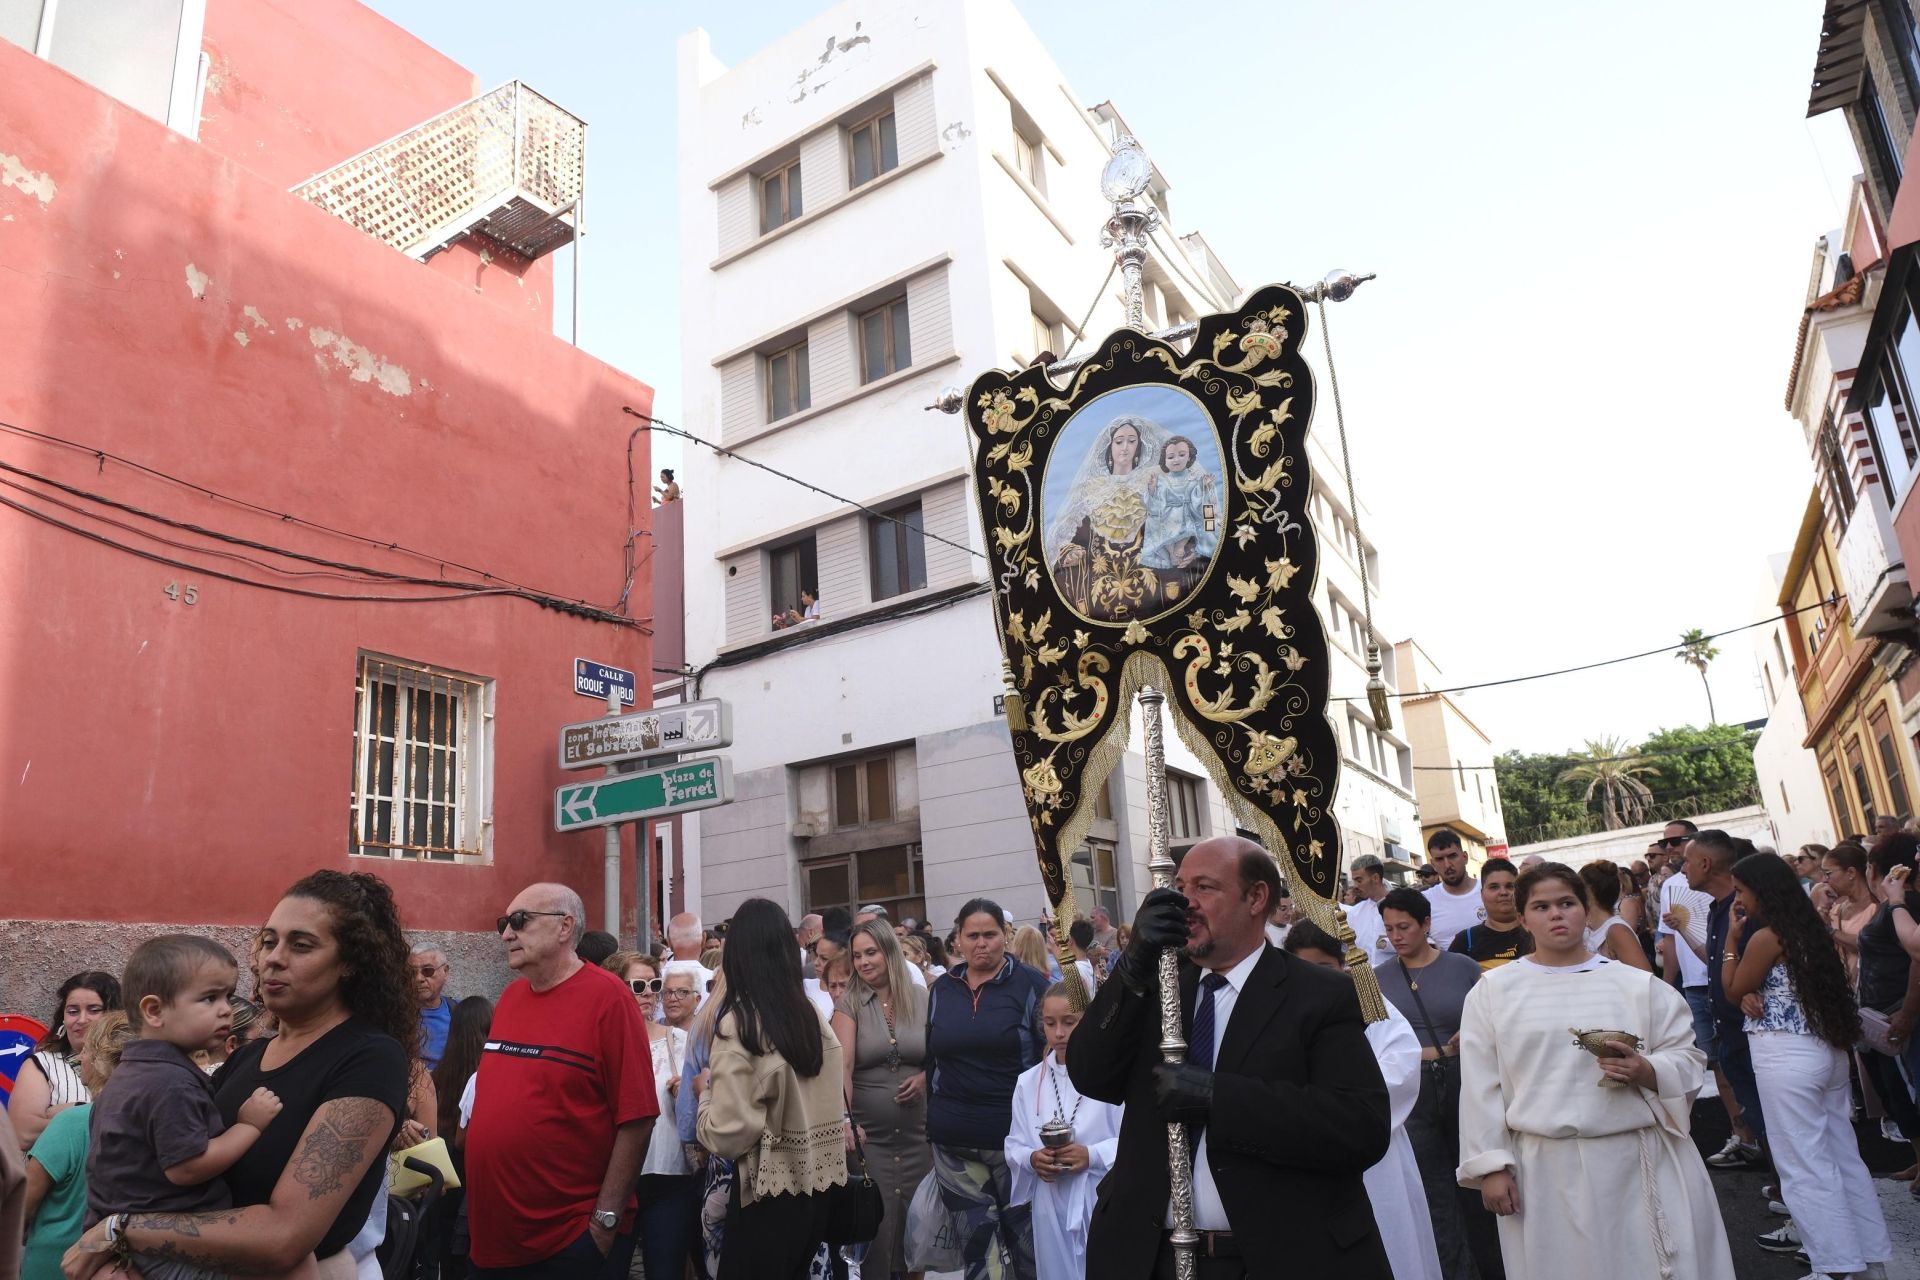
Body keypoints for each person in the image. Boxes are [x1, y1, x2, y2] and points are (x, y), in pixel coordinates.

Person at [62, 870, 416, 1278]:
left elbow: (285, 1238)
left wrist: (120, 1229)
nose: (273, 958)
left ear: (350, 962)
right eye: (268, 941)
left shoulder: (368, 1057)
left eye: (301, 945)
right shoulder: (246, 1057)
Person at [1069, 837, 1392, 1279]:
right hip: (1150, 1258)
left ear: (1256, 898)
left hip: (1278, 1257)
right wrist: (1132, 966)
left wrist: (1217, 1097)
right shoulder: (1157, 989)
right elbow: (1090, 1074)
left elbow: (1360, 1126)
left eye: (1204, 888)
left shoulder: (1318, 995)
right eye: (1179, 888)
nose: (1185, 903)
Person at [1455, 862, 1735, 1280]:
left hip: (1636, 1159)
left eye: (1567, 903)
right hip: (1545, 1169)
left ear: (1586, 911)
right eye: (1541, 906)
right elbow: (1481, 1085)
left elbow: (1688, 1057)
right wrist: (1491, 1165)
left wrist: (1647, 1070)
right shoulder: (1493, 992)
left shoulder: (1638, 986)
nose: (1556, 914)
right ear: (1523, 918)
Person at [466, 884, 657, 1279]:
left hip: (566, 1242)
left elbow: (638, 1118)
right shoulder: (511, 999)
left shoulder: (610, 998)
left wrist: (603, 1224)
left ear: (565, 927)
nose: (506, 934)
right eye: (504, 923)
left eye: (520, 921)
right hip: (494, 1242)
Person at [1722, 851, 1892, 1278]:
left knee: (1803, 1166)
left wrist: (1730, 943)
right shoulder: (1810, 928)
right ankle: (1868, 1262)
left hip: (1787, 1057)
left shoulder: (1766, 937)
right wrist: (1751, 991)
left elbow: (1732, 989)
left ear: (1762, 890)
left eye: (1741, 891)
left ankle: (1835, 1267)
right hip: (1825, 1051)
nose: (1738, 900)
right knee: (1843, 1158)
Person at [81, 935, 289, 1280]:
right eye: (209, 998)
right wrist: (249, 1126)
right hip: (163, 1243)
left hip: (127, 1236)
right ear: (154, 1011)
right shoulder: (170, 1082)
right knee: (290, 1260)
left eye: (227, 996)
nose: (225, 1009)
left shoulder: (131, 1074)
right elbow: (187, 1168)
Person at [696, 899, 846, 1279]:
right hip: (816, 1188)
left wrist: (705, 1094)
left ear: (737, 956)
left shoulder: (740, 1024)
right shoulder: (812, 1015)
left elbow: (728, 1134)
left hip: (764, 1193)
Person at [1285, 923, 1442, 1280]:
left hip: (1372, 1148)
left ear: (1342, 965)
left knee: (1389, 1241)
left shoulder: (1368, 1002)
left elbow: (1402, 1064)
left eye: (1324, 967)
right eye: (1304, 968)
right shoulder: (1282, 1009)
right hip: (1307, 1148)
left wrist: (1339, 1106)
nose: (1314, 977)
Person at [925, 899, 1051, 1280]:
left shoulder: (1031, 984)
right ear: (958, 939)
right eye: (973, 935)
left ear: (1005, 936)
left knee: (1028, 1248)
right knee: (980, 1253)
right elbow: (933, 1059)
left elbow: (1051, 1056)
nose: (981, 944)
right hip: (954, 1143)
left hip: (1014, 1141)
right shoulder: (942, 989)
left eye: (990, 934)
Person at [1373, 888, 1495, 1280]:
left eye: (1404, 926)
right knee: (1432, 1191)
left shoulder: (1463, 967)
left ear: (1426, 924)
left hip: (1462, 1079)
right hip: (1412, 1090)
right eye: (1389, 929)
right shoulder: (1375, 978)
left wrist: (1472, 1032)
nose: (1396, 936)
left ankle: (1493, 1265)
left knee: (1476, 1177)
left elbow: (1493, 1018)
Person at [831, 920, 930, 1280]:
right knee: (877, 1234)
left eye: (870, 953)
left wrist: (925, 1078)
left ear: (889, 951)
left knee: (917, 1235)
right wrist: (846, 1122)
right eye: (857, 956)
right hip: (869, 1139)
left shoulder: (922, 997)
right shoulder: (849, 1003)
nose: (863, 962)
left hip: (919, 1136)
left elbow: (940, 1055)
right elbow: (842, 1065)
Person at [1005, 982, 1123, 1280]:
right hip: (1050, 1200)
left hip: (1098, 1196)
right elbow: (1014, 1143)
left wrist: (1092, 1155)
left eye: (1069, 1022)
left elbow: (1134, 1141)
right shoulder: (1029, 1082)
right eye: (1050, 1023)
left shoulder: (1113, 1077)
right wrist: (1033, 1159)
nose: (1059, 1033)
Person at [602, 952, 697, 1280]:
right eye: (638, 985)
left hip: (670, 1176)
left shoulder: (681, 1041)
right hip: (615, 1178)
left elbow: (705, 1100)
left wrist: (690, 1092)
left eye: (654, 985)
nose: (648, 993)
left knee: (665, 1271)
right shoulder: (602, 1041)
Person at [24, 1014, 135, 1280]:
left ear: (100, 1059)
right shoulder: (148, 1122)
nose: (80, 1057)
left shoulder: (71, 1123)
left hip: (56, 1265)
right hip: (116, 1266)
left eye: (86, 1050)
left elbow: (20, 1205)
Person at [1686, 830, 1769, 1170]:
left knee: (1770, 1118)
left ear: (1706, 863)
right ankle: (1780, 1184)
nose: (1683, 868)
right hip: (1732, 1030)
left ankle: (1788, 1188)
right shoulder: (1717, 909)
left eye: (1688, 861)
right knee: (1757, 1116)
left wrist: (1752, 991)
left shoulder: (1746, 907)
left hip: (1756, 1031)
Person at [1856, 833, 1920, 1198]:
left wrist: (1907, 1013)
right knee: (1896, 1093)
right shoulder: (1893, 905)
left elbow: (1916, 956)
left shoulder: (1904, 904)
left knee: (1907, 1090)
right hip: (1882, 1014)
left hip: (1897, 1013)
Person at [12, 971, 120, 1151]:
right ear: (63, 1018)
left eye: (94, 1010)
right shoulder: (42, 1064)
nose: (82, 1020)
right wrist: (98, 1119)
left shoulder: (130, 1064)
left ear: (114, 1015)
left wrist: (72, 1112)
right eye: (73, 1011)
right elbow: (23, 1134)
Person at [433, 996, 493, 1280]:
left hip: (442, 1171)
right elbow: (463, 1139)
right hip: (469, 1174)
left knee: (443, 1248)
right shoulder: (486, 1075)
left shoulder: (440, 1071)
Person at [1446, 857, 1533, 971]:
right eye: (1494, 887)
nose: (1503, 892)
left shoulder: (1537, 932)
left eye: (1510, 886)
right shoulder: (1466, 941)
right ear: (1482, 894)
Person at [1821, 842, 1877, 986]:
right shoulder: (1836, 909)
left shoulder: (1877, 906)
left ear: (1851, 872)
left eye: (1828, 874)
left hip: (1871, 987)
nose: (1824, 880)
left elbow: (1867, 943)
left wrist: (1829, 930)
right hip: (1845, 989)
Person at [1580, 861, 1651, 971]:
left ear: (1589, 892)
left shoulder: (1617, 930)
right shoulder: (1590, 928)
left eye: (1578, 887)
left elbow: (1645, 976)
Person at [1421, 830, 1482, 950]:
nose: (1447, 865)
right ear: (1433, 864)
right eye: (1439, 859)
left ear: (1465, 857)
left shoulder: (1489, 890)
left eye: (1452, 856)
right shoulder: (1425, 900)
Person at [412, 945, 454, 1071]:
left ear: (445, 971)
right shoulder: (397, 1014)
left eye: (427, 971)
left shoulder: (461, 1011)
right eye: (412, 972)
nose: (418, 978)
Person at [1345, 854, 1393, 964]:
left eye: (1359, 880)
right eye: (1354, 881)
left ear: (1375, 878)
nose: (1355, 886)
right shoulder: (1354, 913)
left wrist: (1387, 944)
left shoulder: (1403, 907)